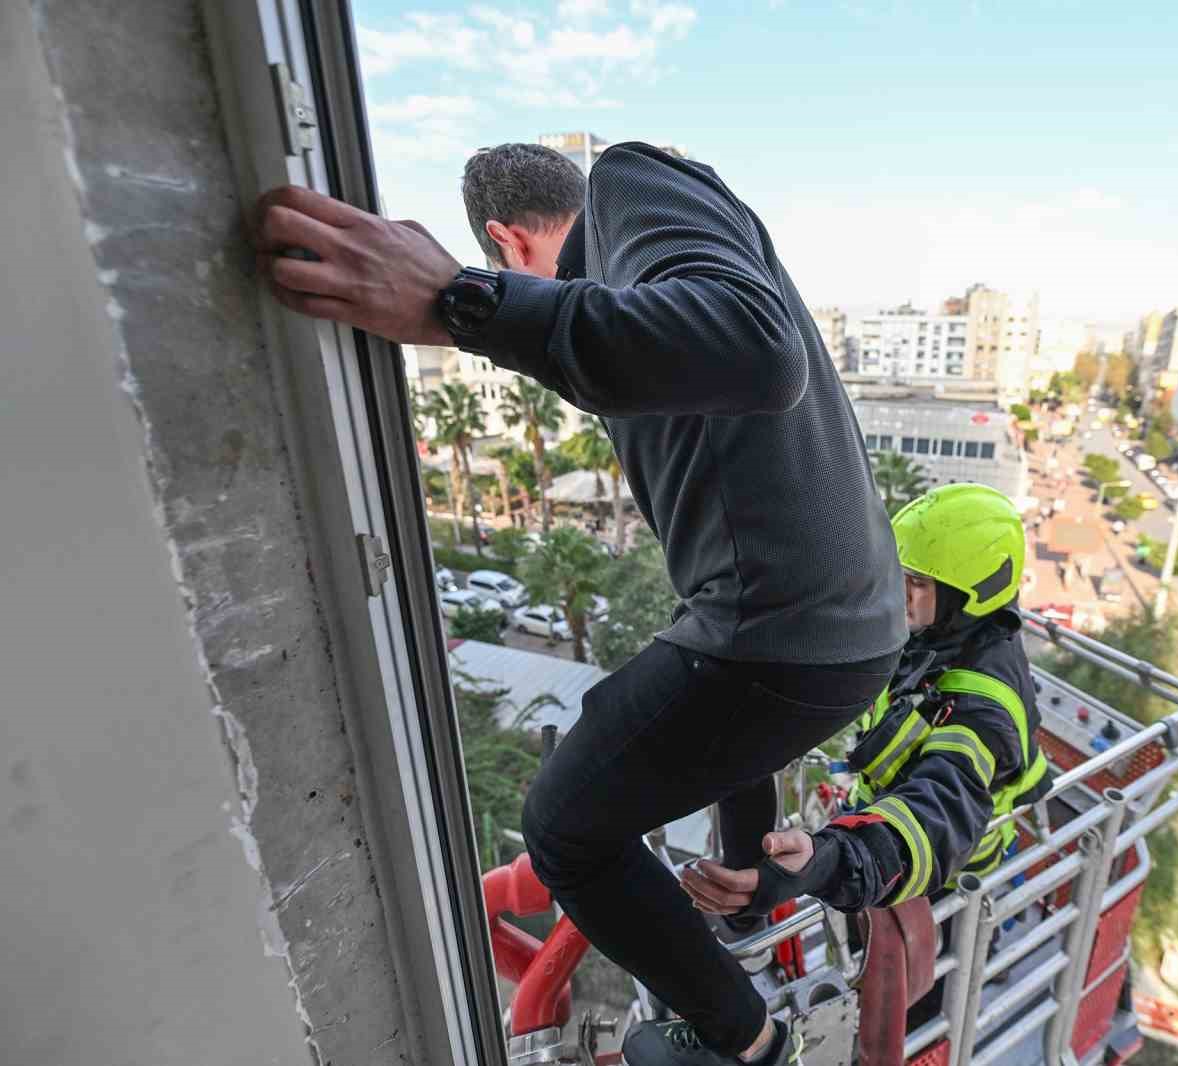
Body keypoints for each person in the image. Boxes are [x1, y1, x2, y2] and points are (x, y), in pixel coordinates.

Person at [252, 142, 906, 1066]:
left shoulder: (629, 182)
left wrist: (459, 303)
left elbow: (757, 349)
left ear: (504, 241)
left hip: (784, 639)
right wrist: (750, 865)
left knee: (567, 829)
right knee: (698, 713)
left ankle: (751, 1043)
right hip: (830, 639)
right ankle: (747, 903)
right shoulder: (624, 308)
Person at [682, 484, 1051, 1026]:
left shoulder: (981, 707)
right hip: (877, 846)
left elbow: (938, 814)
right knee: (869, 961)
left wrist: (836, 858)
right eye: (895, 574)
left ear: (970, 594)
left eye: (916, 583)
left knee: (916, 1009)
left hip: (936, 881)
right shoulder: (935, 634)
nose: (895, 593)